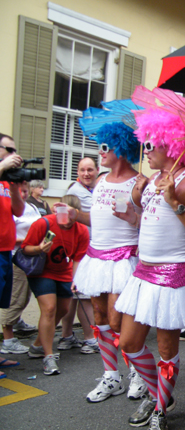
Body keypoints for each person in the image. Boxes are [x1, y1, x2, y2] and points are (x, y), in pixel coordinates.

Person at [114, 109, 185, 430]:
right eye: (144, 144)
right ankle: (161, 393)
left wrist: (175, 202)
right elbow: (149, 225)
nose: (145, 150)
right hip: (144, 272)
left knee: (167, 348)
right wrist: (137, 200)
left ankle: (160, 409)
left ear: (170, 145)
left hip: (175, 275)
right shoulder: (152, 180)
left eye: (150, 144)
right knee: (128, 343)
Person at [69, 122, 149, 403]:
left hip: (123, 258)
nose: (101, 152)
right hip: (96, 258)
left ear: (121, 149)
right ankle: (111, 375)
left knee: (117, 320)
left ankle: (138, 373)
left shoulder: (139, 183)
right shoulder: (101, 180)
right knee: (100, 319)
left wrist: (136, 211)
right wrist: (73, 215)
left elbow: (149, 225)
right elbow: (96, 218)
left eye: (105, 147)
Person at [23, 195, 89, 375]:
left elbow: (77, 259)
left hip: (64, 273)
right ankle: (49, 356)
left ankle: (38, 345)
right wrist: (38, 248)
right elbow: (25, 248)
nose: (66, 221)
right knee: (50, 309)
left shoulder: (82, 231)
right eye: (63, 213)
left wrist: (76, 280)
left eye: (71, 216)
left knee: (62, 310)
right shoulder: (43, 223)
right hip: (42, 271)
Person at [58, 156, 99, 354]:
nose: (86, 173)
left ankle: (66, 336)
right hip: (80, 250)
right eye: (82, 170)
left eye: (90, 169)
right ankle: (90, 339)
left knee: (73, 296)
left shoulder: (93, 190)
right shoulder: (75, 192)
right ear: (77, 172)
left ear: (97, 170)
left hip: (85, 248)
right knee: (83, 295)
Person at [1, 181, 39, 355]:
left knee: (23, 297)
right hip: (16, 256)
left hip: (31, 257)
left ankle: (16, 323)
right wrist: (28, 241)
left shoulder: (30, 207)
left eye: (25, 191)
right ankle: (8, 339)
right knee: (15, 299)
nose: (23, 194)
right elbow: (9, 234)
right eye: (19, 191)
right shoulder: (8, 206)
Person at [0, 133, 25, 376]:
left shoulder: (5, 182)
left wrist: (16, 186)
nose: (12, 154)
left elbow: (18, 210)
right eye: (8, 149)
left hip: (6, 251)